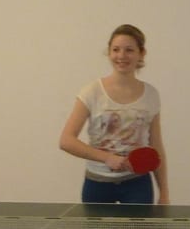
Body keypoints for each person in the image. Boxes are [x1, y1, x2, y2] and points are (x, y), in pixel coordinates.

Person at [58, 23, 171, 205]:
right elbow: (66, 141)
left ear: (141, 53)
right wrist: (107, 158)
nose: (121, 56)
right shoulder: (91, 92)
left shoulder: (151, 95)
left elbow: (156, 147)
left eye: (129, 50)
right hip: (97, 184)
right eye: (116, 49)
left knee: (139, 226)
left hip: (137, 184)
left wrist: (164, 193)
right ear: (109, 52)